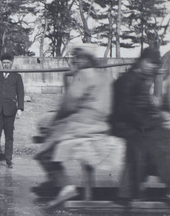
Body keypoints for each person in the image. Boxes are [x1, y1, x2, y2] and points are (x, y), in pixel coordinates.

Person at [33, 46, 124, 207]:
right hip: (101, 125)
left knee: (44, 150)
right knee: (50, 131)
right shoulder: (106, 76)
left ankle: (64, 185)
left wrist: (55, 121)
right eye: (74, 58)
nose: (75, 61)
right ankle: (55, 184)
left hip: (80, 125)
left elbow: (68, 105)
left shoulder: (83, 75)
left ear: (86, 60)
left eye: (78, 58)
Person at [110, 47, 170, 204]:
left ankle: (139, 187)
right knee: (148, 142)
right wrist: (147, 123)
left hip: (137, 123)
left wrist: (157, 117)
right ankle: (130, 192)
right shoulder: (127, 80)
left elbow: (146, 105)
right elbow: (125, 109)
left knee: (164, 137)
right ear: (141, 61)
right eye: (150, 63)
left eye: (155, 64)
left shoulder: (141, 80)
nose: (153, 67)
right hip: (123, 123)